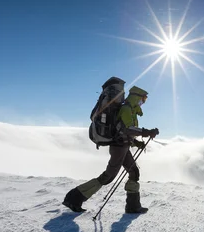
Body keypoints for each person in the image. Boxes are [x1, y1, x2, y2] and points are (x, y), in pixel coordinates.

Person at [62, 86, 159, 214]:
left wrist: (135, 142)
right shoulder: (126, 109)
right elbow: (126, 128)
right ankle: (73, 198)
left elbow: (122, 130)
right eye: (143, 99)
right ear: (136, 97)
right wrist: (146, 132)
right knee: (108, 177)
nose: (143, 102)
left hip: (123, 146)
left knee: (134, 172)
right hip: (118, 148)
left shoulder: (131, 110)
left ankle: (133, 206)